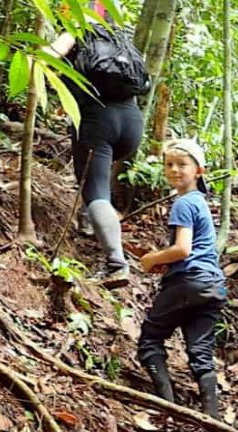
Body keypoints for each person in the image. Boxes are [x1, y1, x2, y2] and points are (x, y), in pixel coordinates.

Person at [47, 1, 143, 288]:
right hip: (132, 124)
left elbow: (48, 56)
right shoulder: (120, 39)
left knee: (95, 190)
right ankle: (90, 220)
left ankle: (116, 263)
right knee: (99, 181)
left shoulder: (78, 30)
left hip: (97, 119)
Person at [137, 138, 227, 417]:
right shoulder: (200, 202)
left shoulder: (184, 203)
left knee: (150, 340)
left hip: (188, 282)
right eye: (169, 164)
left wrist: (152, 259)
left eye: (182, 164)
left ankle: (168, 404)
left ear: (199, 170)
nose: (174, 170)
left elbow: (182, 249)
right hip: (212, 286)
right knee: (201, 351)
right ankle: (213, 418)